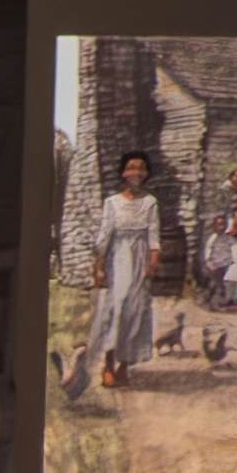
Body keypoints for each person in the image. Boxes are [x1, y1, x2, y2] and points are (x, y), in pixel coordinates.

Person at [88, 148, 164, 389]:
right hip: (118, 257)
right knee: (117, 308)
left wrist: (153, 261)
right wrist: (99, 266)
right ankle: (108, 364)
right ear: (123, 172)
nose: (136, 172)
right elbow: (104, 236)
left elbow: (153, 235)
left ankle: (124, 366)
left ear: (146, 173)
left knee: (136, 311)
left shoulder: (150, 202)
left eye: (141, 168)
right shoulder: (112, 203)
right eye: (131, 168)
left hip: (140, 258)